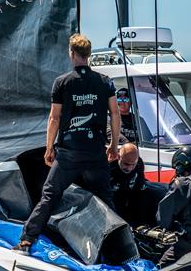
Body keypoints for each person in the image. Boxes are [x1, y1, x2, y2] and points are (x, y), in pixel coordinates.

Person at [13, 33, 121, 252]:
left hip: (69, 152)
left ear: (72, 54)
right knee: (105, 199)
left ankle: (26, 240)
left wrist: (49, 147)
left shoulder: (62, 82)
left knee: (50, 196)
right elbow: (115, 113)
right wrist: (114, 145)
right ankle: (119, 248)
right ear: (88, 55)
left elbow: (54, 118)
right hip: (95, 151)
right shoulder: (104, 82)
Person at [109, 143, 149, 226]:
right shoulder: (110, 166)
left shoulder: (139, 164)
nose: (129, 168)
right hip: (115, 200)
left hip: (133, 195)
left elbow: (141, 186)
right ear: (119, 157)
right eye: (126, 164)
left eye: (133, 165)